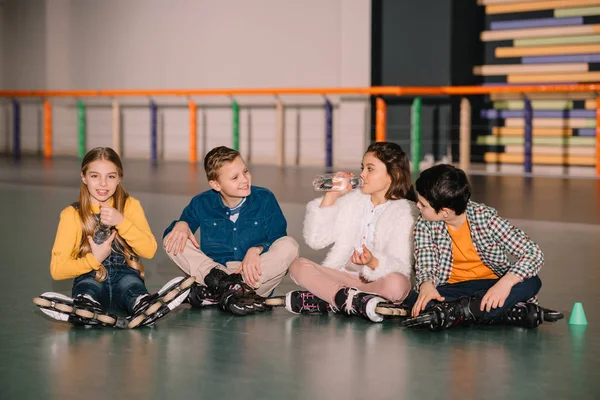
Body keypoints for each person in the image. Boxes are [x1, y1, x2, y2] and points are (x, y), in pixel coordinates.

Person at [34, 147, 194, 329]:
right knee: (88, 286)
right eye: (95, 176)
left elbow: (149, 250)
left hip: (125, 275)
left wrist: (122, 222)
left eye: (110, 176)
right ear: (84, 177)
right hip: (91, 275)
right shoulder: (72, 215)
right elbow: (57, 270)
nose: (103, 184)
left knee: (131, 286)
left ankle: (143, 304)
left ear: (119, 178)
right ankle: (85, 306)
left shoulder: (130, 206)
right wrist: (93, 260)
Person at [401, 164, 562, 331]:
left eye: (423, 204)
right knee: (415, 299)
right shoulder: (424, 223)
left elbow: (533, 253)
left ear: (445, 212)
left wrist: (505, 284)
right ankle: (500, 313)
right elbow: (425, 261)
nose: (418, 206)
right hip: (452, 289)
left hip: (490, 285)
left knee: (532, 282)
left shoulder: (485, 218)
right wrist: (427, 285)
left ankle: (458, 312)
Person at [284, 142, 419, 322]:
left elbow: (401, 266)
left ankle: (331, 299)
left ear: (393, 176)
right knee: (298, 266)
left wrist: (372, 262)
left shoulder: (406, 212)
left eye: (370, 169)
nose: (362, 175)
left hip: (376, 282)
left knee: (398, 285)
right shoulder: (352, 201)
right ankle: (352, 301)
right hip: (343, 277)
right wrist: (331, 195)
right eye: (362, 168)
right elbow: (316, 239)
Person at [163, 146, 299, 315]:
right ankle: (225, 288)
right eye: (235, 177)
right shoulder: (201, 202)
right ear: (216, 184)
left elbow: (278, 237)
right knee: (172, 240)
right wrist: (182, 224)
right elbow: (174, 234)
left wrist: (256, 250)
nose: (245, 179)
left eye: (245, 171)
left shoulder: (265, 198)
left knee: (290, 245)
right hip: (214, 274)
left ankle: (222, 292)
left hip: (254, 278)